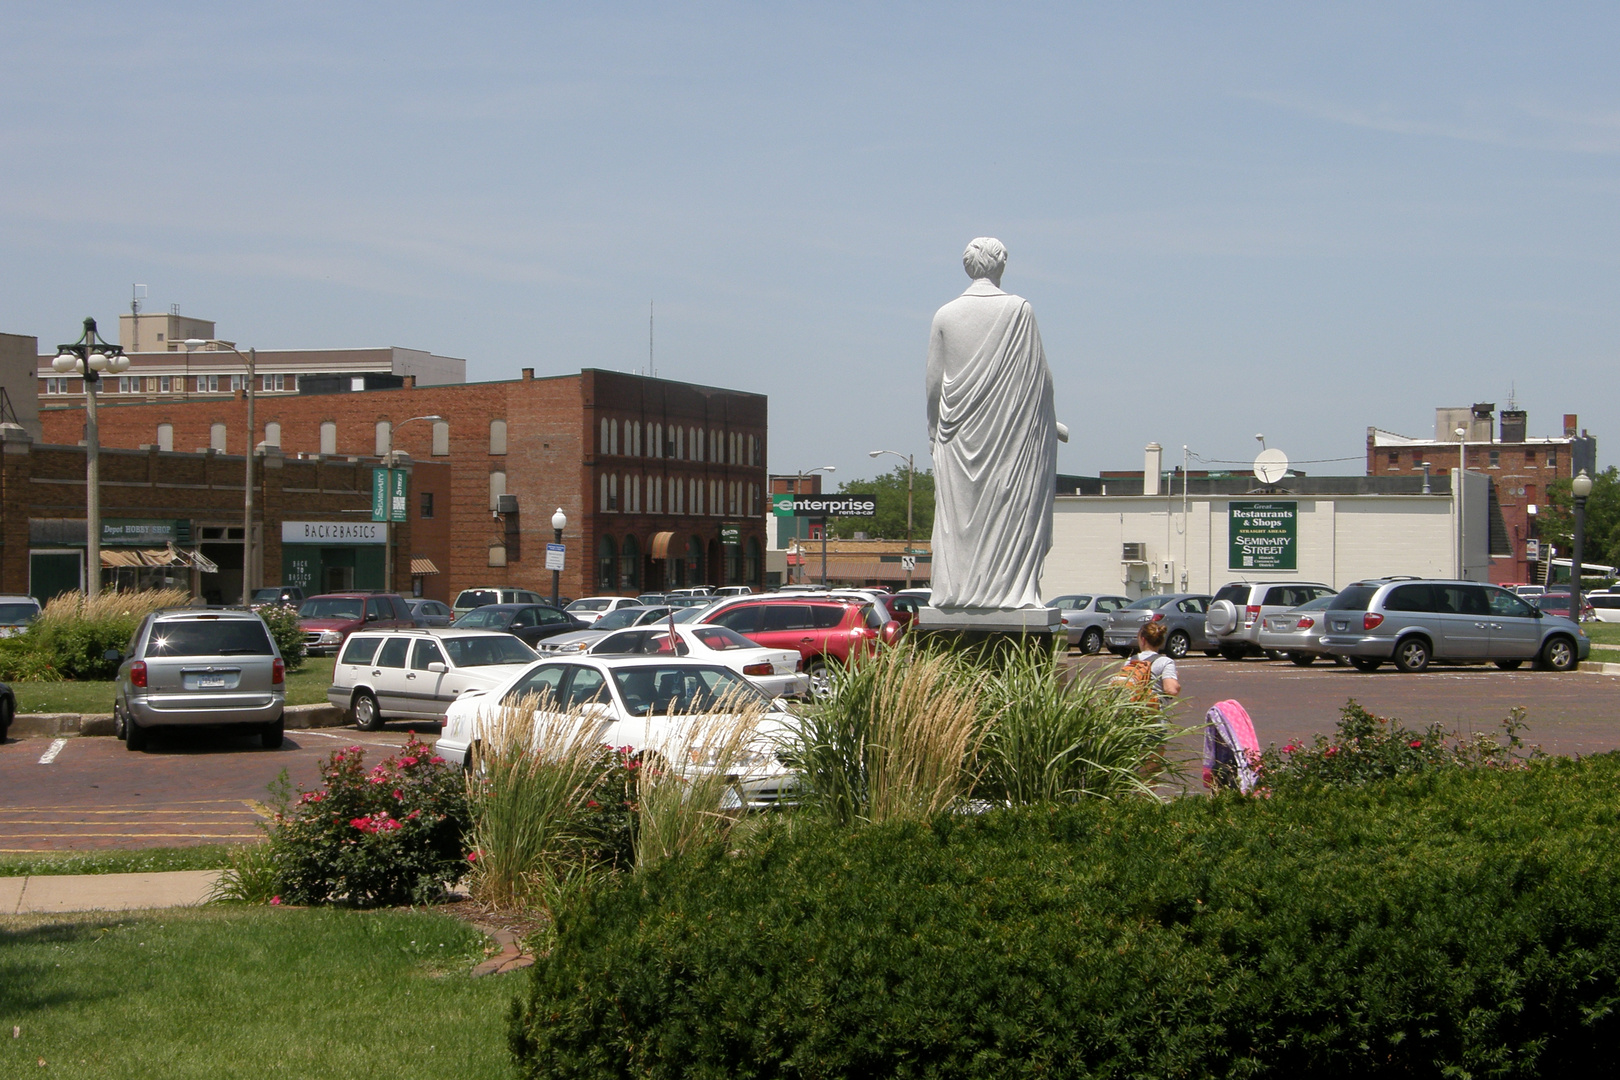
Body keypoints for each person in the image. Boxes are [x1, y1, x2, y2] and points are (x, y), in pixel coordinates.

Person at [926, 237, 1061, 611]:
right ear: (1000, 264)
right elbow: (1039, 378)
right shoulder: (1019, 310)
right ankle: (1009, 591)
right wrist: (1045, 419)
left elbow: (933, 383)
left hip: (956, 434)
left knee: (959, 519)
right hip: (1010, 437)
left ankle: (958, 590)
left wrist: (933, 432)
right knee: (1011, 507)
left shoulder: (945, 314)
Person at [1124, 621, 1180, 704]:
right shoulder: (1165, 662)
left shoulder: (1130, 661)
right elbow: (1171, 690)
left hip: (1132, 713)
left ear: (1143, 640)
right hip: (1154, 713)